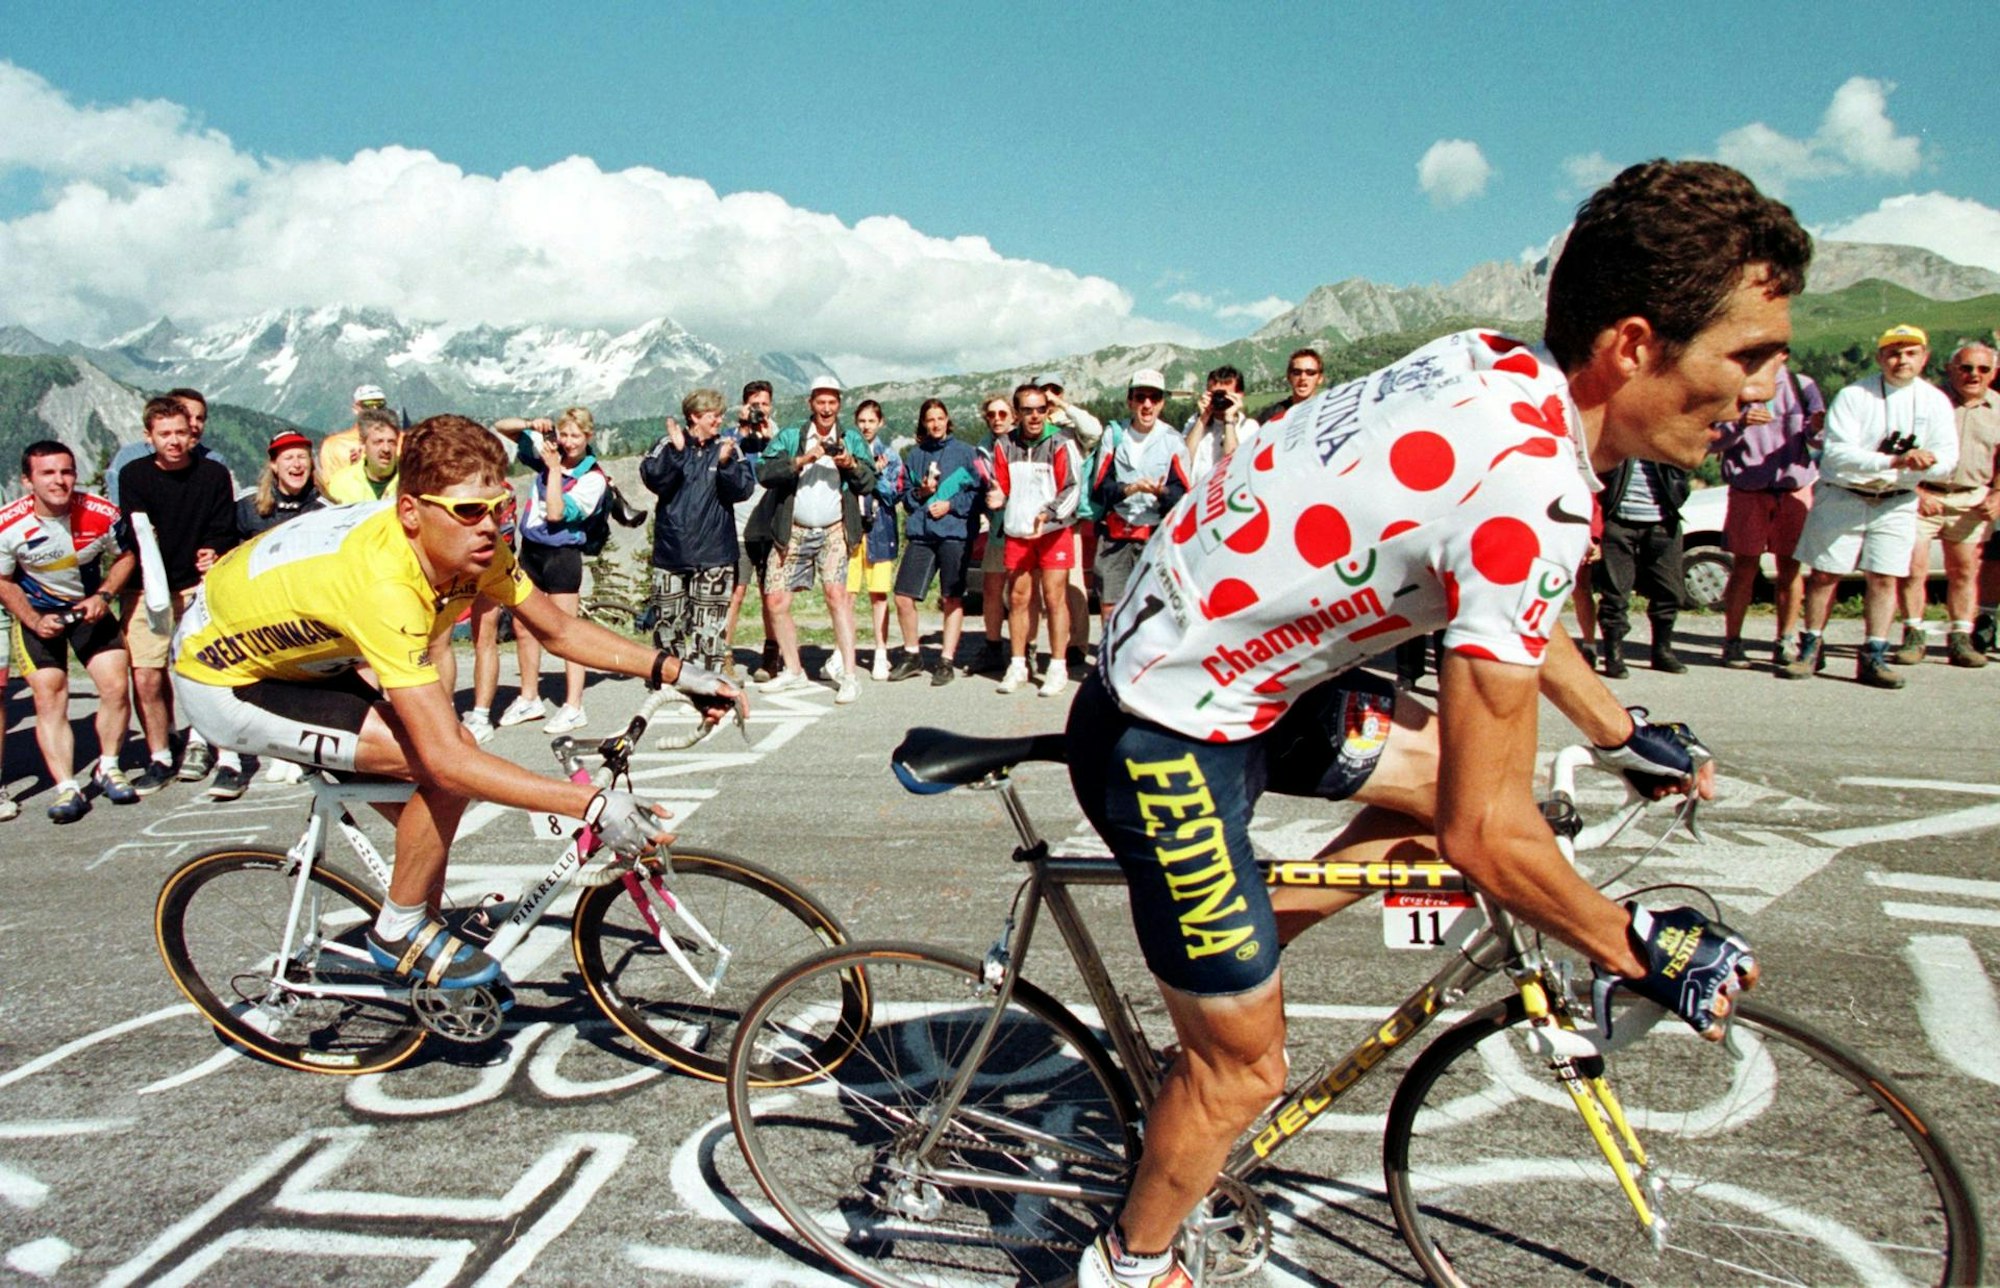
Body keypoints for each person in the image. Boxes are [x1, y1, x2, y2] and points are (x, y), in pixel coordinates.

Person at [1068, 159, 1783, 1288]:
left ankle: (1218, 990)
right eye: (1746, 355)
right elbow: (1484, 831)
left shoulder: (1494, 366)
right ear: (1634, 345)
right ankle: (1125, 1258)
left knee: (1447, 797)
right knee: (1249, 1074)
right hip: (1167, 729)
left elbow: (1498, 586)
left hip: (1236, 676)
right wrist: (1629, 944)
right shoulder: (1534, 488)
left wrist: (1614, 730)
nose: (1762, 390)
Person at [171, 414, 741, 989]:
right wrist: (590, 805)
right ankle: (400, 930)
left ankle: (421, 924)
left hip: (306, 653)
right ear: (411, 513)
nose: (490, 527)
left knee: (436, 808)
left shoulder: (473, 544)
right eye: (469, 511)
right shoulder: (384, 584)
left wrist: (678, 672)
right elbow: (446, 758)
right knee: (448, 769)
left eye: (500, 507)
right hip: (224, 678)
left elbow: (558, 631)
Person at [1787, 324, 1957, 688]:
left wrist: (1926, 463)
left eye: (1911, 353)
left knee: (1884, 577)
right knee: (1824, 574)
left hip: (1896, 500)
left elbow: (1948, 457)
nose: (1902, 360)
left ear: (1924, 358)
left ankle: (1874, 654)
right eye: (1894, 353)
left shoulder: (1935, 401)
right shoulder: (1854, 395)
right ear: (1880, 357)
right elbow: (1837, 453)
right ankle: (1811, 647)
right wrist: (1895, 462)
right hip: (1844, 493)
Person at [0, 442, 140, 822]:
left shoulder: (101, 513)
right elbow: (3, 580)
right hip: (38, 616)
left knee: (114, 685)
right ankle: (66, 787)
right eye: (48, 473)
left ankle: (108, 766)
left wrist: (104, 595)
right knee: (50, 695)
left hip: (89, 609)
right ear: (27, 481)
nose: (59, 481)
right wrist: (31, 620)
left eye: (66, 471)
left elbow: (126, 556)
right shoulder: (8, 524)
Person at [117, 395, 242, 797]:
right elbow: (132, 532)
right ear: (148, 436)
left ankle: (230, 758)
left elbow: (224, 527)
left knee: (212, 670)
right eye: (164, 434)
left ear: (193, 434)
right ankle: (160, 756)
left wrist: (214, 549)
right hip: (147, 586)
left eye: (180, 433)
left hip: (196, 584)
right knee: (147, 674)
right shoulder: (134, 475)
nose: (173, 441)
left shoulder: (212, 475)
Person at [755, 375, 876, 703]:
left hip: (835, 527)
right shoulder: (793, 435)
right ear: (811, 403)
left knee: (837, 596)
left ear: (839, 404)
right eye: (820, 402)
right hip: (792, 528)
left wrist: (850, 464)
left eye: (832, 402)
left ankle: (849, 675)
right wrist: (804, 459)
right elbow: (764, 472)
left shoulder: (850, 438)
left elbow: (868, 482)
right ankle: (793, 670)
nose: (826, 408)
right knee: (776, 600)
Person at [493, 408, 608, 734]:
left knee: (566, 632)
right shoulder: (549, 452)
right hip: (532, 550)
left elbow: (556, 513)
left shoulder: (593, 478)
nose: (568, 442)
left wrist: (554, 469)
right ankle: (529, 697)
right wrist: (531, 425)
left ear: (588, 437)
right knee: (524, 625)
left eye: (576, 436)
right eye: (564, 435)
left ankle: (574, 705)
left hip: (562, 554)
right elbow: (503, 425)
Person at [1714, 358, 1824, 671]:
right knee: (1744, 567)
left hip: (1792, 488)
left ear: (1784, 355)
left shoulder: (1803, 386)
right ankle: (1733, 640)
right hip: (1748, 489)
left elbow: (1819, 439)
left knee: (1790, 568)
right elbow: (1713, 442)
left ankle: (1786, 639)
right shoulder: (1735, 386)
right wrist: (1740, 425)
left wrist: (1816, 429)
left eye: (1774, 353)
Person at [1896, 343, 2000, 668]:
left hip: (1971, 498)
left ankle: (1961, 638)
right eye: (1966, 368)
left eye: (1983, 369)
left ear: (1994, 372)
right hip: (1923, 494)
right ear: (1950, 369)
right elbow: (1899, 447)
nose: (1974, 375)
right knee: (1913, 568)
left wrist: (1998, 494)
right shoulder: (1927, 402)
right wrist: (1916, 490)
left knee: (1965, 572)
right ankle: (1914, 635)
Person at [641, 389, 756, 672]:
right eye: (712, 415)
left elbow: (743, 490)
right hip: (672, 552)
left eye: (720, 415)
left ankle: (708, 683)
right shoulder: (667, 444)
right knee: (668, 627)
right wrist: (678, 454)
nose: (719, 420)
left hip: (714, 553)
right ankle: (672, 680)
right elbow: (654, 479)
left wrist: (726, 464)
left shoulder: (728, 448)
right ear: (694, 416)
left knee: (710, 630)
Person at [990, 383, 1084, 696]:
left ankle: (1057, 667)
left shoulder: (1061, 441)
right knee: (1017, 599)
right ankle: (1017, 665)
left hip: (1053, 532)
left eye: (1040, 409)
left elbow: (1072, 487)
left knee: (1054, 598)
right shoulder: (1004, 444)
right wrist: (997, 496)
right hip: (1018, 532)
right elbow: (1003, 486)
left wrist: (1050, 513)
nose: (1034, 416)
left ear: (1047, 410)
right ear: (1017, 414)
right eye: (1027, 410)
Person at [1091, 368, 1191, 637]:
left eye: (1154, 398)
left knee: (1152, 607)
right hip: (1116, 533)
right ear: (1130, 401)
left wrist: (1162, 493)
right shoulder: (1114, 436)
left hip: (1154, 534)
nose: (1147, 405)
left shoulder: (1173, 440)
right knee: (1111, 604)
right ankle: (1109, 662)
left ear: (1162, 403)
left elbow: (1182, 492)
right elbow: (1100, 487)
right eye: (1141, 397)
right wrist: (1130, 488)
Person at [888, 399, 980, 684]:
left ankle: (946, 660)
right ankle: (913, 655)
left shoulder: (967, 453)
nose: (936, 424)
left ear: (947, 420)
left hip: (955, 534)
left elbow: (978, 492)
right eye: (930, 419)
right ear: (924, 423)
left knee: (951, 598)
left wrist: (951, 505)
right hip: (922, 535)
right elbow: (905, 496)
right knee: (903, 597)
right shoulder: (914, 455)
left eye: (940, 418)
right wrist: (922, 493)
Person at [1592, 456, 1691, 675]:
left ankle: (1662, 650)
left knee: (1670, 591)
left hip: (1663, 521)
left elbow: (1693, 454)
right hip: (1618, 521)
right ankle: (1613, 654)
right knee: (1615, 593)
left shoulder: (1664, 436)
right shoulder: (1621, 434)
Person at [1040, 372, 1103, 671]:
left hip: (1069, 515)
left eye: (1054, 390)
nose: (1049, 396)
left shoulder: (1073, 427)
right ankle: (1052, 642)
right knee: (1044, 587)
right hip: (1039, 514)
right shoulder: (1034, 426)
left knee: (1072, 582)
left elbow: (1094, 430)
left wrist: (1062, 405)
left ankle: (1077, 643)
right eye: (1043, 391)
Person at [105, 387, 233, 506]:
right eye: (188, 416)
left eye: (200, 418)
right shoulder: (129, 458)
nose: (194, 424)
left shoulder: (215, 463)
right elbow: (119, 511)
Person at [730, 380, 780, 681]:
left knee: (770, 595)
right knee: (735, 593)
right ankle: (723, 653)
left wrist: (770, 440)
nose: (759, 410)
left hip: (770, 528)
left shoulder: (778, 436)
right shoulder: (736, 436)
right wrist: (741, 433)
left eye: (763, 404)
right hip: (738, 527)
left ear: (771, 406)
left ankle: (772, 654)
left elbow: (788, 468)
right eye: (753, 404)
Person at [849, 400, 902, 681]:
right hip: (852, 531)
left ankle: (881, 652)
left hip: (880, 531)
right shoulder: (849, 453)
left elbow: (893, 495)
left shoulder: (890, 456)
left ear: (880, 422)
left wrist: (877, 475)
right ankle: (842, 652)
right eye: (862, 421)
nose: (866, 426)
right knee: (846, 595)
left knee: (879, 594)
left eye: (871, 421)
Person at [972, 395, 1021, 674]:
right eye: (992, 414)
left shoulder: (1022, 444)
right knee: (992, 589)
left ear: (1013, 416)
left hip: (1024, 526)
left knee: (1021, 593)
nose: (997, 419)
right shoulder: (982, 448)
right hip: (997, 528)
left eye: (1003, 413)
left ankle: (1024, 647)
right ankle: (993, 647)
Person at [1181, 365, 1256, 482]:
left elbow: (1233, 463)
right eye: (1215, 395)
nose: (1219, 400)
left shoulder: (1248, 426)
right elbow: (1183, 460)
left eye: (1224, 395)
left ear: (1239, 395)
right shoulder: (1196, 422)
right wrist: (1203, 418)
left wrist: (1229, 419)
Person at [324, 410, 403, 504]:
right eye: (378, 442)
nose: (386, 449)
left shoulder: (412, 478)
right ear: (363, 444)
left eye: (391, 442)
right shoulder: (341, 483)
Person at [319, 383, 392, 479]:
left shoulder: (401, 441)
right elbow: (329, 486)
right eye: (367, 405)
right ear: (355, 409)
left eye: (380, 405)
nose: (374, 410)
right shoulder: (334, 445)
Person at [1259, 347, 1324, 426]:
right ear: (1288, 377)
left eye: (1310, 372)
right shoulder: (1270, 416)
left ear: (1320, 378)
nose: (1303, 377)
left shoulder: (1327, 412)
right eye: (1297, 372)